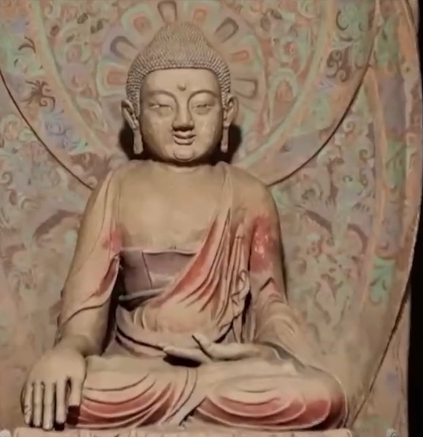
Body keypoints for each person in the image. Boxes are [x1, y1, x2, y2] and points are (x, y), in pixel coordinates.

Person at [21, 23, 348, 432]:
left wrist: (267, 352)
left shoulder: (249, 195)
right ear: (133, 116)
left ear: (227, 112)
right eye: (161, 106)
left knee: (323, 396)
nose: (183, 121)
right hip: (135, 372)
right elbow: (83, 319)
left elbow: (270, 301)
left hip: (226, 372)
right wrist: (68, 352)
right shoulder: (117, 189)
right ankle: (194, 397)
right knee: (67, 390)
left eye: (202, 105)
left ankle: (201, 393)